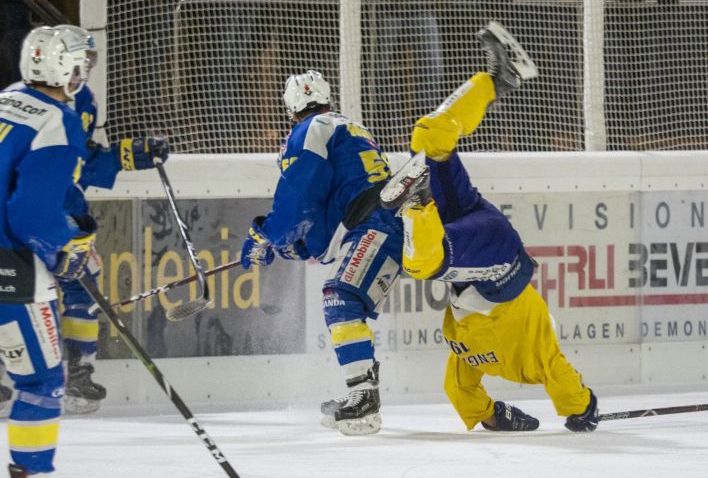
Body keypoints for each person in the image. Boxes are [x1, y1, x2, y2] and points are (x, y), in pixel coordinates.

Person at [379, 21, 600, 433]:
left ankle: (499, 80)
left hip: (468, 231)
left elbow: (458, 391)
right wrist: (584, 409)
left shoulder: (467, 361)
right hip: (500, 267)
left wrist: (498, 418)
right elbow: (565, 382)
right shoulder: (536, 361)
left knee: (429, 138)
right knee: (424, 264)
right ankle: (415, 202)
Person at [0, 25, 169, 415]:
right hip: (36, 215)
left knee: (81, 279)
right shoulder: (43, 106)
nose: (85, 71)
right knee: (34, 286)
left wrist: (131, 154)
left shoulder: (44, 99)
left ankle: (79, 370)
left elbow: (82, 160)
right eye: (82, 63)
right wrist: (55, 237)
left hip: (53, 207)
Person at [240, 70, 403, 436]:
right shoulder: (347, 126)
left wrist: (265, 235)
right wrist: (289, 245)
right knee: (341, 298)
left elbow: (299, 199)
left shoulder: (308, 130)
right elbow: (323, 215)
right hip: (383, 221)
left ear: (290, 108)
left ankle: (364, 399)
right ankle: (362, 394)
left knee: (339, 299)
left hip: (375, 224)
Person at [0, 26, 92, 477]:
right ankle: (30, 471)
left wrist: (74, 221)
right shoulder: (56, 119)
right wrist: (63, 248)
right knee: (39, 381)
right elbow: (31, 214)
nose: (83, 74)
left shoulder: (4, 101)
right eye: (80, 64)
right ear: (62, 66)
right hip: (9, 266)